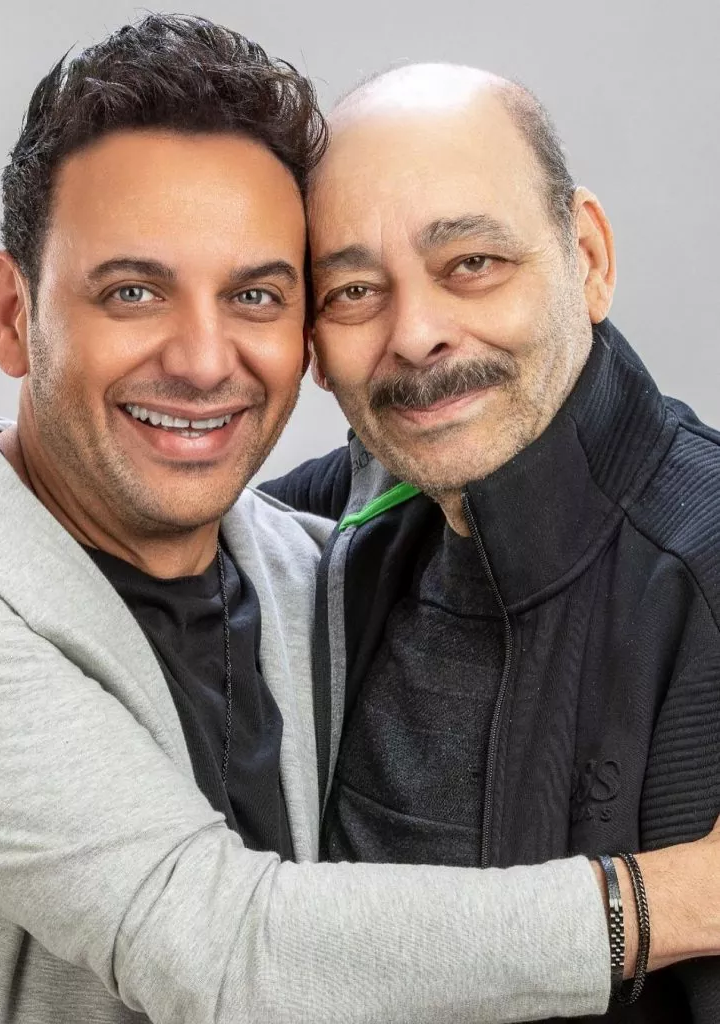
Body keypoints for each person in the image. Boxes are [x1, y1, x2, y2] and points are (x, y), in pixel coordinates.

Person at [0, 18, 718, 1024]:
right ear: (10, 315)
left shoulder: (321, 558)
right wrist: (667, 899)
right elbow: (215, 943)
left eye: (255, 294)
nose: (204, 360)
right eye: (132, 291)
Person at [262, 63, 720, 1020]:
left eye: (471, 262)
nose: (416, 334)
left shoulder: (703, 577)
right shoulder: (309, 534)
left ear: (587, 259)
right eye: (353, 290)